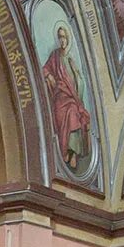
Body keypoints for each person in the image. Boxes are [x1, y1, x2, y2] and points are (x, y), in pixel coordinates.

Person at [42, 25, 92, 172]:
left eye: (64, 37)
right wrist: (49, 76)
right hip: (59, 96)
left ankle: (73, 153)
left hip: (72, 98)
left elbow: (79, 81)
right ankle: (67, 151)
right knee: (65, 112)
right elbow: (45, 69)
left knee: (74, 112)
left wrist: (77, 77)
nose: (62, 40)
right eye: (60, 37)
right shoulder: (55, 56)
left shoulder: (70, 59)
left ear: (68, 39)